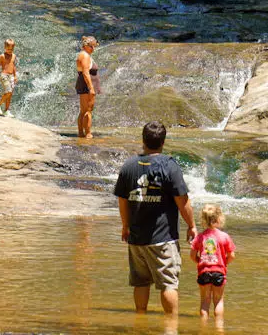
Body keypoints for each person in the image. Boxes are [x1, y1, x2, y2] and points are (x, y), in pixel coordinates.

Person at [114, 121, 198, 332]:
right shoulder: (170, 165)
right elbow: (182, 200)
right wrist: (192, 225)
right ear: (163, 142)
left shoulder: (129, 166)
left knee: (140, 282)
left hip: (136, 237)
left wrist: (125, 226)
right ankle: (171, 327)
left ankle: (139, 324)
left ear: (143, 141)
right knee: (168, 284)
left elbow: (122, 200)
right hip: (163, 238)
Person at [190, 204, 236, 328]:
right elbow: (232, 255)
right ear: (219, 219)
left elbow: (192, 255)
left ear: (203, 220)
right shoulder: (224, 237)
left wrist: (201, 261)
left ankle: (203, 328)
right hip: (219, 271)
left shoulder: (200, 237)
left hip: (203, 271)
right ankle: (219, 328)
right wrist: (223, 262)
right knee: (218, 301)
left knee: (205, 301)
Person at [75, 35, 100, 139]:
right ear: (86, 46)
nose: (93, 49)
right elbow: (85, 72)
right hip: (86, 85)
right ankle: (88, 133)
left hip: (85, 84)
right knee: (88, 110)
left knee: (83, 110)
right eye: (92, 46)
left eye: (94, 46)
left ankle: (81, 133)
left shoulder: (83, 54)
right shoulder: (85, 55)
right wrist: (91, 88)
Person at [0, 38, 18, 117]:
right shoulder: (2, 56)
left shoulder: (13, 56)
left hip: (11, 76)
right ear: (4, 47)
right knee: (8, 91)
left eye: (11, 49)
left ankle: (6, 110)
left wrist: (15, 75)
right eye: (8, 49)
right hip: (4, 75)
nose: (10, 51)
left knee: (10, 95)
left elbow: (13, 66)